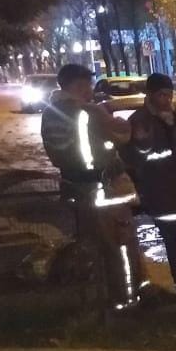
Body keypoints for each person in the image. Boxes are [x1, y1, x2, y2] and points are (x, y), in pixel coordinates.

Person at [40, 63, 146, 312]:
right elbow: (123, 134)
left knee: (90, 243)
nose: (90, 89)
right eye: (87, 84)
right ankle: (126, 300)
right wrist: (118, 121)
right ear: (76, 85)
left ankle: (99, 297)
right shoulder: (88, 112)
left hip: (74, 186)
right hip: (103, 188)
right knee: (119, 244)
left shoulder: (51, 113)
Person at [125, 73, 176, 305]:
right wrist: (142, 144)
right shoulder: (139, 121)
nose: (166, 99)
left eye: (169, 94)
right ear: (150, 95)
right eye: (161, 94)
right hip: (162, 191)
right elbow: (132, 158)